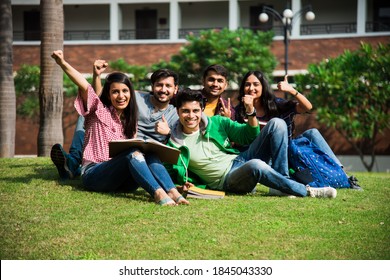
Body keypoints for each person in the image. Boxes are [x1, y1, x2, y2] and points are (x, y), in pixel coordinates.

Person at [51, 50, 189, 206]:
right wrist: (62, 62)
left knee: (149, 152)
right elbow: (83, 84)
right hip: (95, 175)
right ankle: (158, 193)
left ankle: (173, 191)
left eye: (125, 91)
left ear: (131, 94)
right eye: (115, 92)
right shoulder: (98, 111)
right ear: (108, 95)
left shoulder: (130, 122)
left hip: (123, 181)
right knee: (132, 153)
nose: (121, 96)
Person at [165, 88, 337, 198]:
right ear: (178, 112)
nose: (191, 116)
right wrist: (182, 187)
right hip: (228, 180)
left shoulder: (216, 123)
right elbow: (169, 175)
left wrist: (250, 111)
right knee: (256, 165)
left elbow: (248, 136)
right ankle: (306, 191)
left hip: (238, 160)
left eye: (195, 110)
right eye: (185, 111)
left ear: (202, 110)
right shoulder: (175, 143)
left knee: (277, 123)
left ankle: (282, 183)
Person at [235, 70, 362, 191]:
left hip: (285, 153)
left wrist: (291, 90)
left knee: (312, 133)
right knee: (276, 124)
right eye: (247, 85)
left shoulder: (276, 105)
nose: (251, 88)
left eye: (256, 84)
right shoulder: (239, 111)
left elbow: (308, 107)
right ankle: (281, 180)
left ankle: (343, 175)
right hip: (262, 157)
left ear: (263, 87)